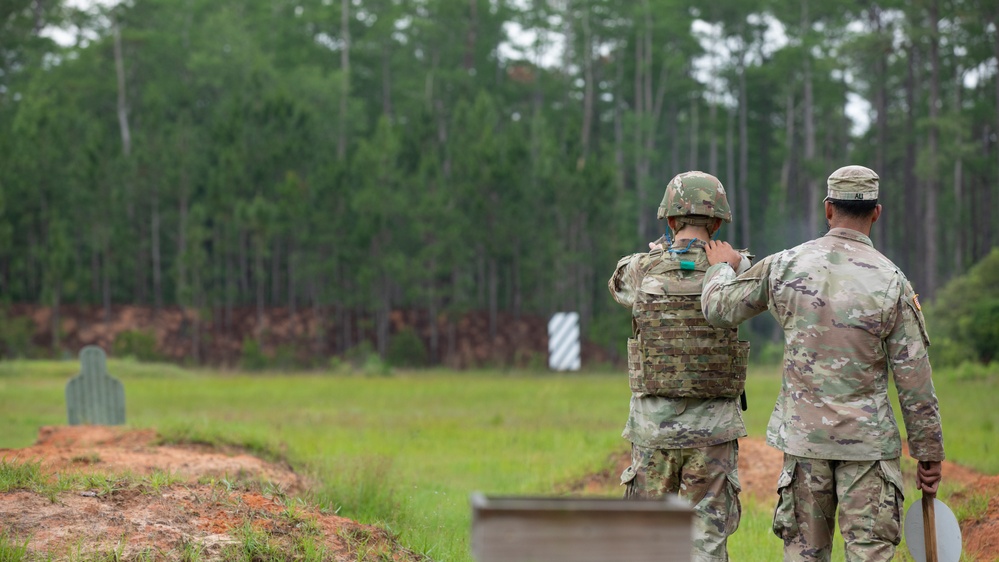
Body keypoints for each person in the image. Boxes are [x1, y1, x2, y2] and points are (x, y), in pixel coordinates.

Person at [700, 165, 945, 562]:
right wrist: (928, 453)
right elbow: (914, 380)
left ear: (828, 209)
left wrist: (719, 268)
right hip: (868, 452)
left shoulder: (785, 266)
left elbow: (718, 308)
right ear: (876, 213)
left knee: (803, 554)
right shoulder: (891, 281)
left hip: (804, 446)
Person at [608, 170, 753, 562]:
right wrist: (735, 260)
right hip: (713, 432)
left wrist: (657, 252)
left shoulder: (641, 269)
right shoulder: (738, 272)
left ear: (670, 221)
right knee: (705, 544)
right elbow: (760, 286)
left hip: (654, 429)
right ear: (719, 222)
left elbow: (617, 284)